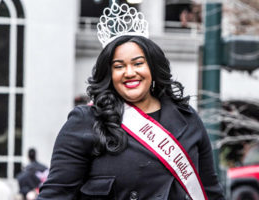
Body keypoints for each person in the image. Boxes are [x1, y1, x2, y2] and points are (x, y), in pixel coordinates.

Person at [37, 1, 225, 199]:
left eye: (138, 63)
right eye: (118, 66)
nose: (129, 72)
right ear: (109, 73)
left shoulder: (188, 120)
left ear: (153, 66)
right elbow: (55, 195)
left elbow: (210, 192)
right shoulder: (85, 122)